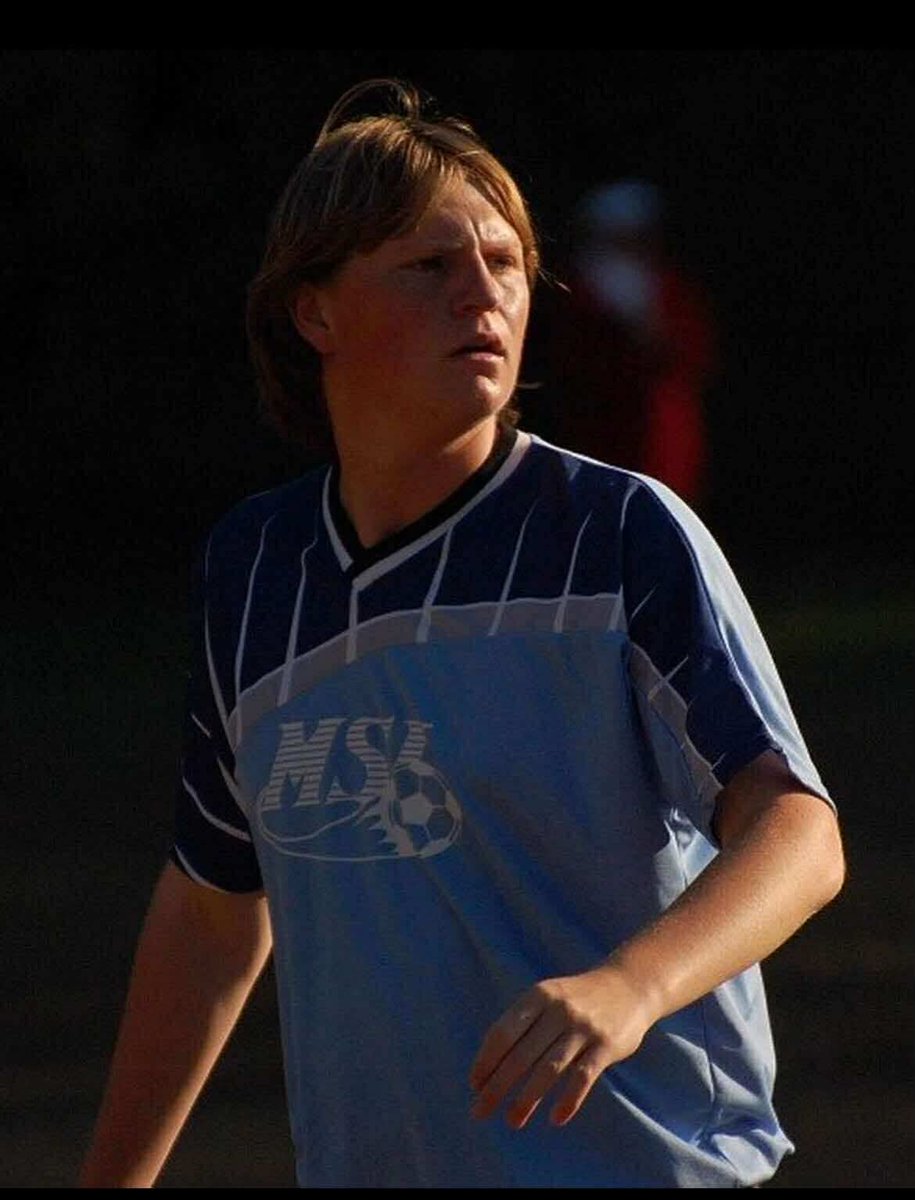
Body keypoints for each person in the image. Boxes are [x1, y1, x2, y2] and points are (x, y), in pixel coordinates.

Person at [78, 77, 845, 1189]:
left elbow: (799, 833)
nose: (482, 295)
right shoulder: (254, 572)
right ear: (316, 311)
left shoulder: (619, 533)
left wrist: (630, 985)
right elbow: (212, 908)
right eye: (430, 266)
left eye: (503, 262)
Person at [542, 178, 717, 510]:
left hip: (665, 430)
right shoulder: (580, 289)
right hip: (602, 430)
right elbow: (574, 361)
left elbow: (696, 354)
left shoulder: (667, 286)